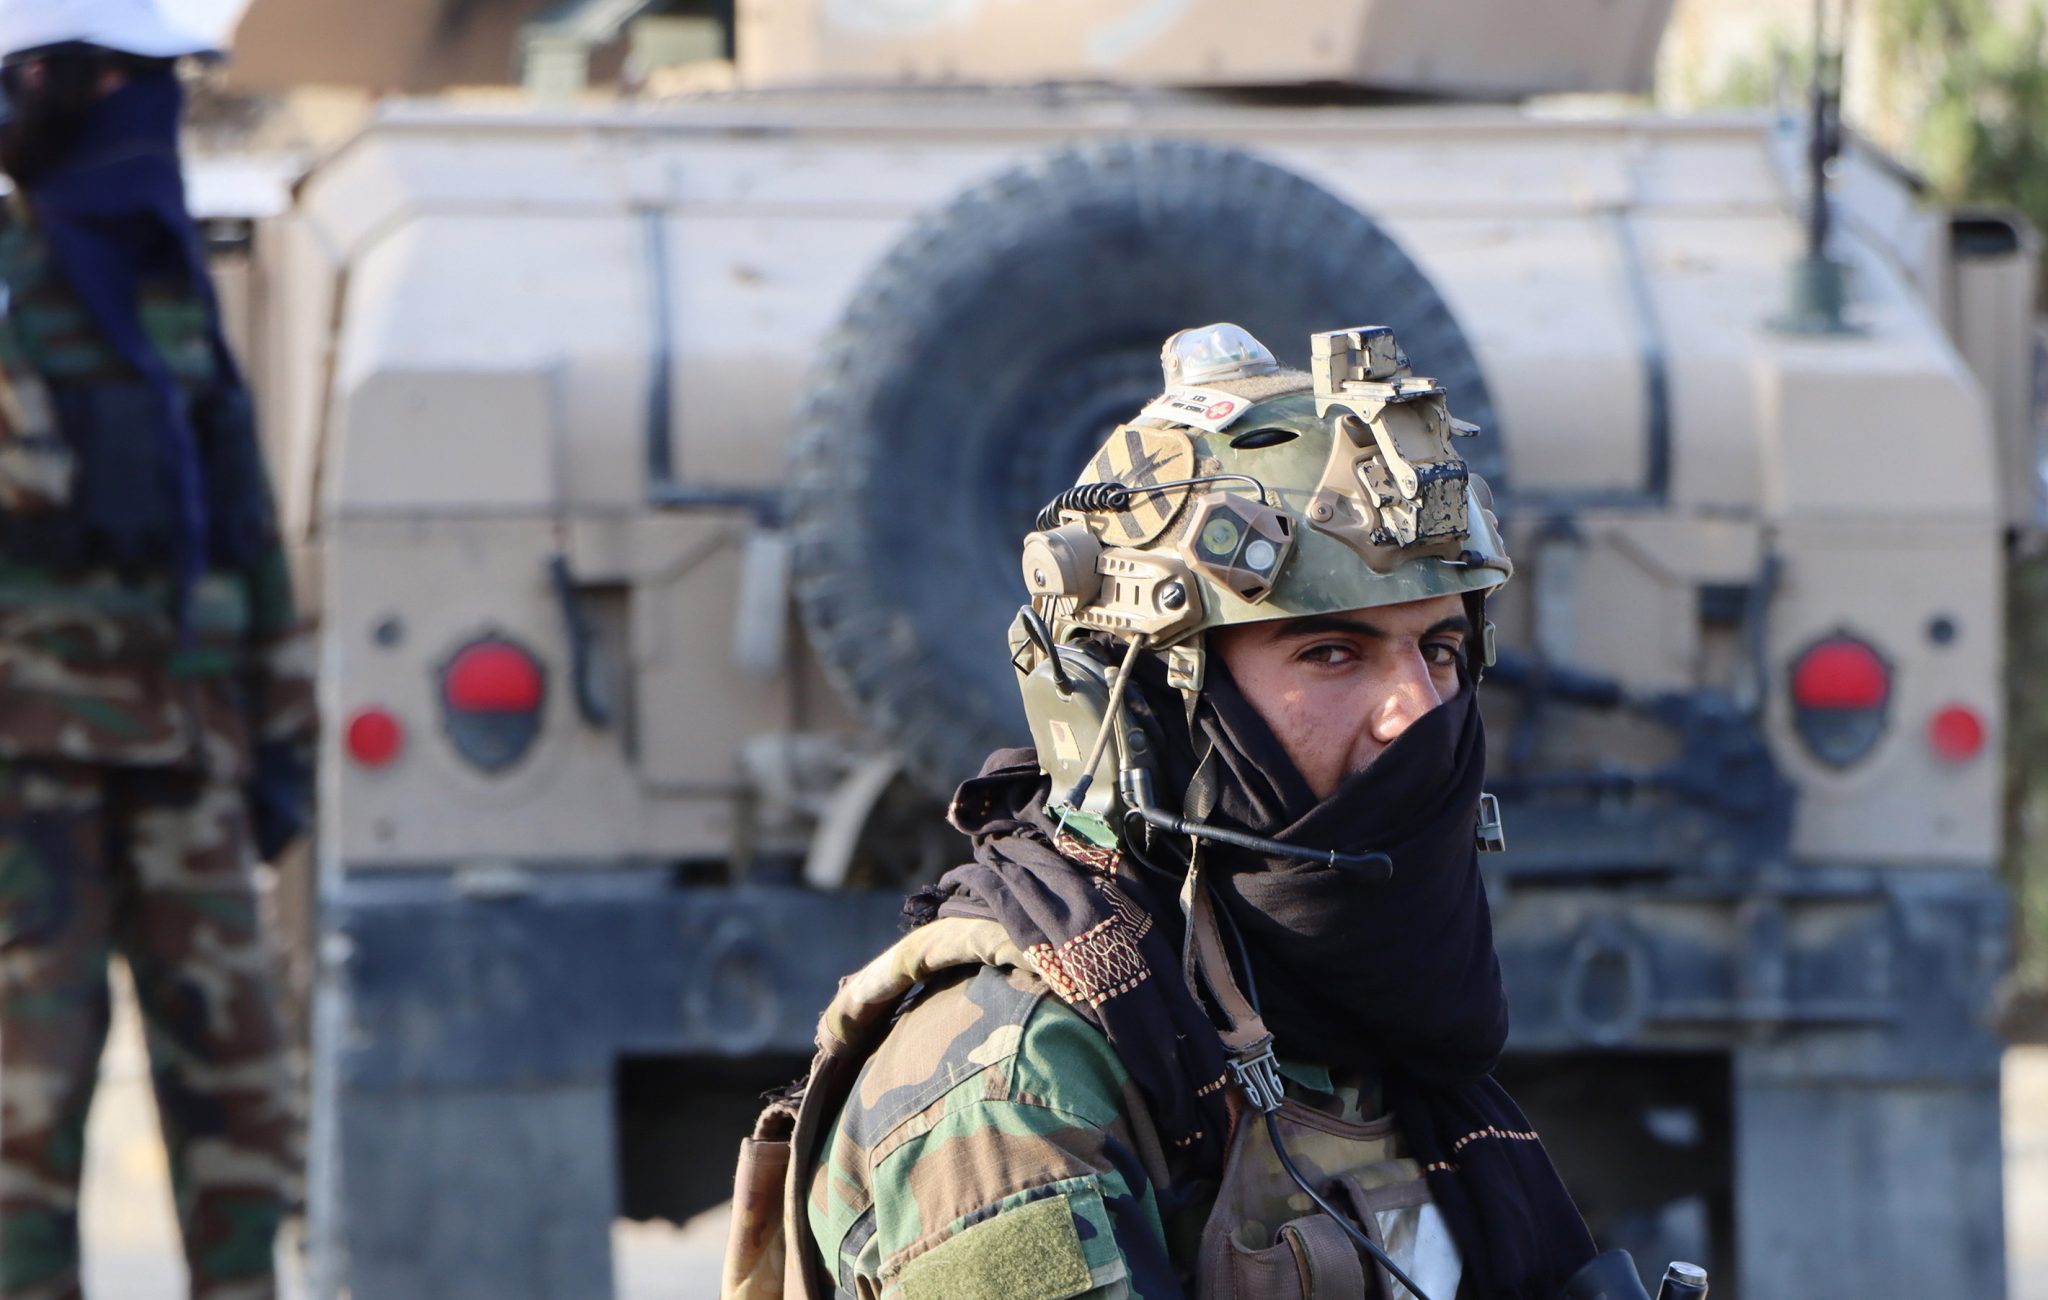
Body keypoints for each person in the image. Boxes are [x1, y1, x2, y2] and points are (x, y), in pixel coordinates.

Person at [724, 324, 1657, 1300]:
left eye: (1439, 650)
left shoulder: (1385, 1027)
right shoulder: (1019, 1079)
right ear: (1154, 709)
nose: (1415, 712)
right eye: (1330, 652)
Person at [0, 3, 312, 1297]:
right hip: (29, 785)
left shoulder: (166, 283)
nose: (155, 119)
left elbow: (243, 535)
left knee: (242, 1111)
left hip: (188, 764)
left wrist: (281, 738)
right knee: (24, 1125)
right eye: (130, 86)